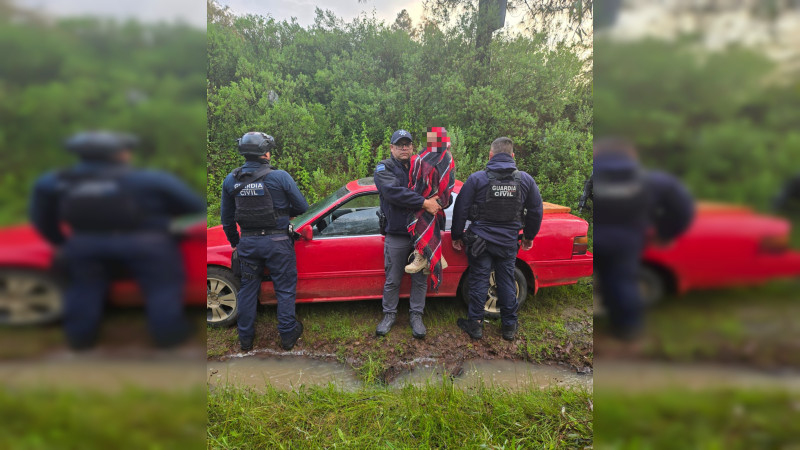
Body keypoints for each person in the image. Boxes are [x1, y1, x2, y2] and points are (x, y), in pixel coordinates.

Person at [30, 131, 205, 350]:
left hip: (85, 244)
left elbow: (42, 219)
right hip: (148, 244)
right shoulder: (151, 179)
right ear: (120, 154)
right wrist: (172, 227)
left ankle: (79, 340)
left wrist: (62, 243)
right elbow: (195, 207)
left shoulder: (53, 182)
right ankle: (169, 337)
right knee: (162, 289)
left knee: (84, 289)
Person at [592, 137, 694, 340]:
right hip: (627, 241)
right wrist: (665, 233)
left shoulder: (593, 177)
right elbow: (683, 209)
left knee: (604, 280)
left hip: (597, 239)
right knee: (623, 281)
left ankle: (611, 318)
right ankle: (628, 330)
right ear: (631, 154)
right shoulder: (653, 180)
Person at [221, 132, 309, 352]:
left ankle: (245, 339)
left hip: (248, 243)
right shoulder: (280, 177)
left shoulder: (231, 180)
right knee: (285, 289)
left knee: (248, 289)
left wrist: (235, 243)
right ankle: (288, 335)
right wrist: (281, 212)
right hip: (278, 242)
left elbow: (227, 220)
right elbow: (302, 208)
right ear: (266, 153)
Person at [451, 137, 543, 341]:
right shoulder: (525, 180)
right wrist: (529, 236)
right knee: (506, 281)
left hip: (480, 242)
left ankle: (475, 325)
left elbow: (461, 209)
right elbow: (536, 210)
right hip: (509, 242)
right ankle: (509, 326)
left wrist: (456, 236)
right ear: (512, 156)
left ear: (490, 155)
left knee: (479, 280)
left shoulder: (477, 179)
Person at [374, 129, 442, 338]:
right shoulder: (383, 168)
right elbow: (395, 193)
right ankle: (389, 315)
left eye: (407, 144)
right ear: (391, 148)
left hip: (421, 233)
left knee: (420, 278)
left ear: (412, 147)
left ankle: (416, 316)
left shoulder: (421, 166)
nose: (404, 148)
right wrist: (424, 202)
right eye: (399, 144)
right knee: (393, 278)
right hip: (397, 233)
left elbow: (436, 187)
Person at [404, 127, 456, 294]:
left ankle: (424, 253)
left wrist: (436, 202)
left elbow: (449, 186)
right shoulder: (419, 158)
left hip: (436, 205)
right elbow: (415, 184)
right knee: (420, 212)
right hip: (426, 203)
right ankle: (432, 256)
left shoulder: (446, 160)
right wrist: (424, 201)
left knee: (418, 216)